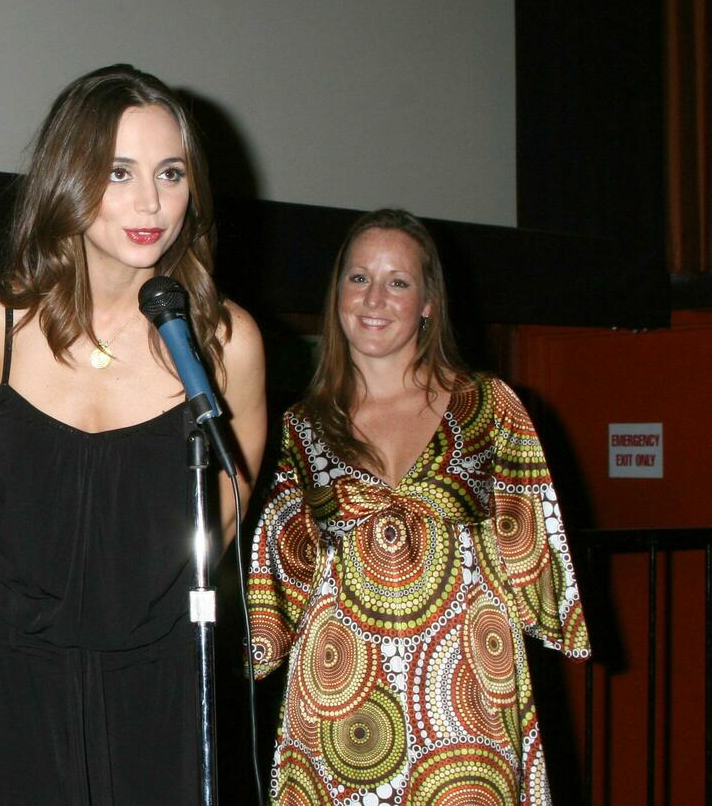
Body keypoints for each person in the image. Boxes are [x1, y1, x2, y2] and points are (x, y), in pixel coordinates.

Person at [0, 64, 267, 804]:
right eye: (119, 172)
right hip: (17, 663)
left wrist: (144, 610)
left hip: (159, 670)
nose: (152, 201)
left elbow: (225, 498)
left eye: (171, 173)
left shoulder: (224, 342)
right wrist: (38, 604)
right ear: (68, 176)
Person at [246, 208, 590, 804]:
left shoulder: (488, 407)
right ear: (336, 294)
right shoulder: (301, 429)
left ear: (428, 301)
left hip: (466, 697)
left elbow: (533, 540)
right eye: (358, 278)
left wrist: (558, 621)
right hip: (340, 697)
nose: (374, 298)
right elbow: (279, 575)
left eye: (397, 282)